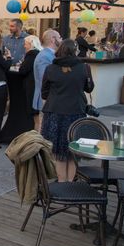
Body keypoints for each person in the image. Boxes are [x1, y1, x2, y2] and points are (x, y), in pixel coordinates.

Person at [41, 39, 94, 182]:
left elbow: (44, 93)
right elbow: (89, 88)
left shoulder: (50, 68)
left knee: (58, 152)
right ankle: (70, 183)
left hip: (55, 113)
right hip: (76, 112)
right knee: (73, 151)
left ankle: (61, 182)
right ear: (75, 51)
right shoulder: (84, 68)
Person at [33, 29, 61, 131]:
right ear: (53, 40)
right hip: (45, 100)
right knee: (43, 129)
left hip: (49, 99)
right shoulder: (44, 56)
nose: (61, 40)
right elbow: (44, 80)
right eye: (59, 37)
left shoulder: (49, 54)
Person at [17, 35, 42, 132]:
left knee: (36, 117)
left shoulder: (31, 54)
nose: (24, 46)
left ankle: (35, 139)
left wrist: (22, 64)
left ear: (31, 44)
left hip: (32, 86)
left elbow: (23, 70)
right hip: (37, 86)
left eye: (25, 44)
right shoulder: (39, 53)